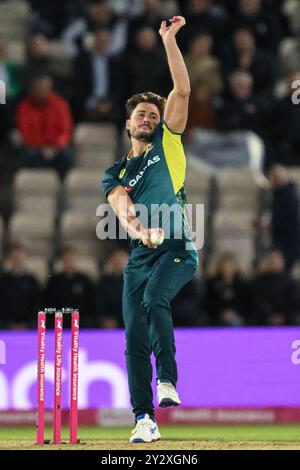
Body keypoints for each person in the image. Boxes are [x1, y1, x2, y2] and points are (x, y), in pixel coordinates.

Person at [102, 16, 198, 443]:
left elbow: (183, 90)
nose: (147, 118)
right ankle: (144, 419)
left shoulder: (168, 140)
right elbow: (119, 202)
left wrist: (168, 41)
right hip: (141, 254)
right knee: (133, 338)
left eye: (153, 115)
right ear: (128, 124)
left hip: (177, 246)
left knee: (156, 298)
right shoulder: (117, 170)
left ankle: (168, 383)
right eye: (141, 114)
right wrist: (136, 226)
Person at [17, 74, 74, 180]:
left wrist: (54, 146)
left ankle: (62, 187)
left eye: (44, 88)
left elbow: (65, 131)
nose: (41, 91)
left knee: (66, 155)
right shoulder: (24, 106)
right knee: (29, 154)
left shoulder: (60, 104)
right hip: (35, 146)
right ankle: (34, 185)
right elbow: (26, 133)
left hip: (56, 147)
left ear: (50, 89)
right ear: (32, 89)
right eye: (38, 88)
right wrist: (42, 147)